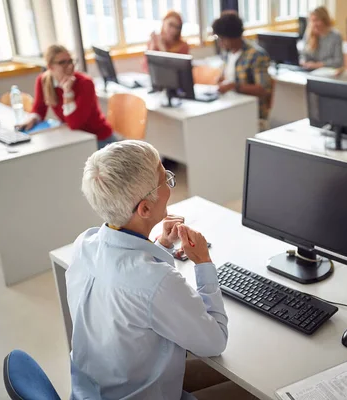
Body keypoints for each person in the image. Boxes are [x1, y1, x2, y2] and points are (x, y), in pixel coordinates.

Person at [69, 140, 257, 399]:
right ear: (145, 208)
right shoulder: (156, 282)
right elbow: (215, 342)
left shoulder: (84, 244)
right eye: (165, 179)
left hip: (99, 387)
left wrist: (160, 245)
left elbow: (130, 281)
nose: (170, 184)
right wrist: (203, 263)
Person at [17, 45, 116, 149]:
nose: (69, 66)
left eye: (70, 61)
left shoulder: (85, 83)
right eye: (62, 62)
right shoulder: (43, 80)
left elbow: (74, 124)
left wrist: (68, 93)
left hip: (98, 139)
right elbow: (39, 109)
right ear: (50, 66)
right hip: (75, 138)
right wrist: (32, 119)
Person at [212, 12, 272, 128]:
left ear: (234, 37)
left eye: (222, 38)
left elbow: (263, 89)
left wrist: (234, 86)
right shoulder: (227, 53)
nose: (220, 43)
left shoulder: (256, 55)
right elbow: (226, 77)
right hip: (230, 105)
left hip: (250, 112)